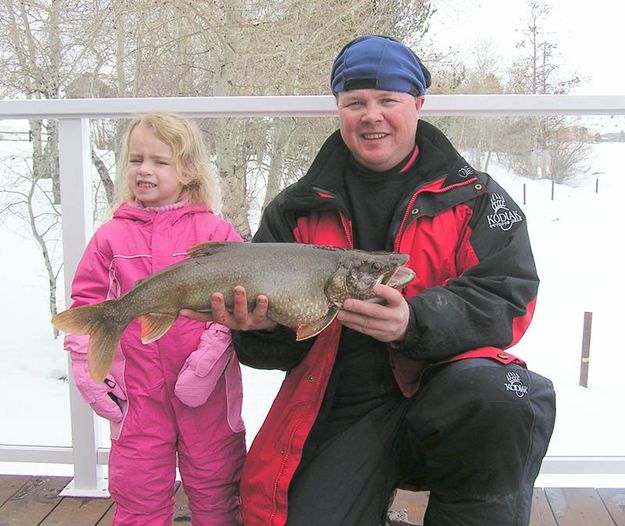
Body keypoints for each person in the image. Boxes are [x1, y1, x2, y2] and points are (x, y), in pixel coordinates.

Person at [187, 35, 556, 526]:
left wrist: (415, 321)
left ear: (419, 104)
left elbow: (509, 295)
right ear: (338, 108)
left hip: (448, 391)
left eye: (389, 100)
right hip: (341, 403)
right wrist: (256, 328)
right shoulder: (294, 209)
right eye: (355, 102)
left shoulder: (476, 197)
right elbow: (275, 353)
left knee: (505, 395)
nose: (372, 115)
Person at [64, 112, 246, 525]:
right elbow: (86, 308)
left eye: (160, 161)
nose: (144, 169)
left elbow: (237, 306)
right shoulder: (110, 237)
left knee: (218, 488)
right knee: (138, 493)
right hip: (137, 396)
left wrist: (204, 366)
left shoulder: (216, 233)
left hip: (209, 395)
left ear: (188, 171)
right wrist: (91, 375)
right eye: (135, 159)